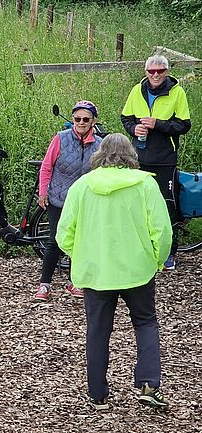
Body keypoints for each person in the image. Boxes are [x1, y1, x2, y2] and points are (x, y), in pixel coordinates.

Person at [56, 133, 172, 410]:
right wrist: (157, 259)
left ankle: (98, 394)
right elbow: (163, 231)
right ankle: (148, 384)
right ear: (130, 154)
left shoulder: (83, 185)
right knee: (145, 323)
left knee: (97, 330)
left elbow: (63, 234)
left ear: (99, 153)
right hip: (138, 269)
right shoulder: (144, 184)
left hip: (97, 272)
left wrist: (81, 254)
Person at [121, 54, 192, 270]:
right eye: (151, 71)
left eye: (160, 71)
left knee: (166, 205)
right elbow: (126, 118)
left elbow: (184, 125)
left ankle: (169, 252)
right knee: (136, 204)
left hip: (164, 159)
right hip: (138, 157)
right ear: (145, 72)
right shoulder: (137, 90)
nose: (155, 75)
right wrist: (134, 129)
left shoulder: (176, 92)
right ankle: (140, 250)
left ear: (167, 72)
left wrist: (158, 124)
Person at [34, 100, 103, 301]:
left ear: (93, 121)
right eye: (77, 118)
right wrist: (43, 192)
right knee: (54, 240)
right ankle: (44, 285)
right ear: (72, 119)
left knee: (80, 242)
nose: (81, 122)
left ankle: (75, 282)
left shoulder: (99, 144)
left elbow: (100, 173)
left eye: (85, 119)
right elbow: (47, 166)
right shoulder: (60, 138)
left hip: (84, 200)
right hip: (59, 198)